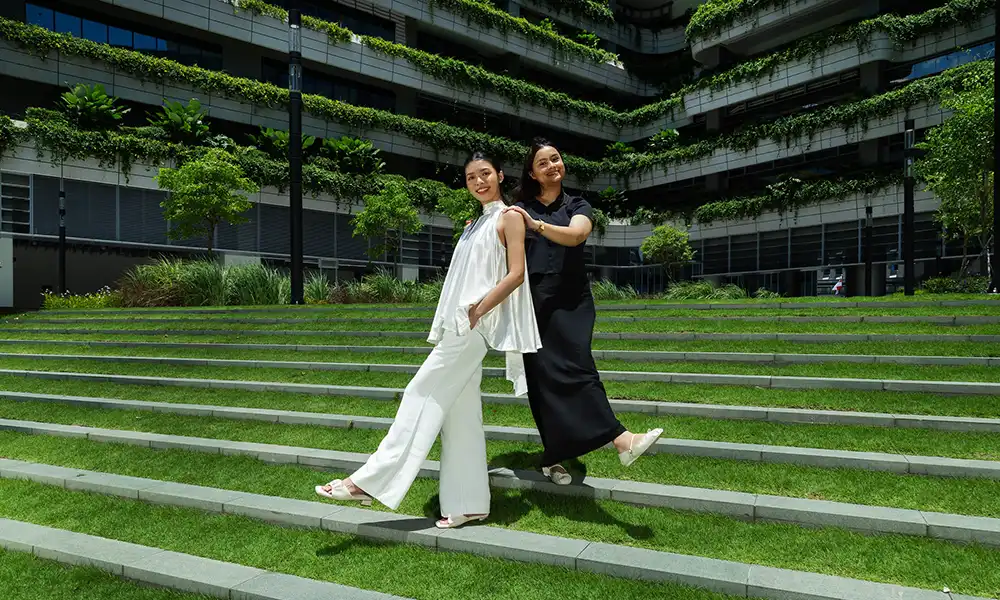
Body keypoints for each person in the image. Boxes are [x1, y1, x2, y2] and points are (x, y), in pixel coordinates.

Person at [315, 152, 541, 528]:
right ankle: (469, 505)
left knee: (419, 392)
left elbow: (517, 274)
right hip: (461, 325)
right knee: (461, 419)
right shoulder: (473, 225)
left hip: (472, 327)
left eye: (485, 174)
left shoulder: (510, 217)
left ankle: (368, 482)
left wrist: (478, 310)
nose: (479, 182)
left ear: (500, 175)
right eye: (471, 178)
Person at [505, 138, 663, 486]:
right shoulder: (519, 208)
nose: (551, 166)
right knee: (542, 381)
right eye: (542, 162)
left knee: (579, 368)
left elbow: (577, 236)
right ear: (532, 172)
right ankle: (555, 456)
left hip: (572, 300)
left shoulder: (578, 204)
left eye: (556, 159)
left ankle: (622, 440)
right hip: (533, 303)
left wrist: (537, 226)